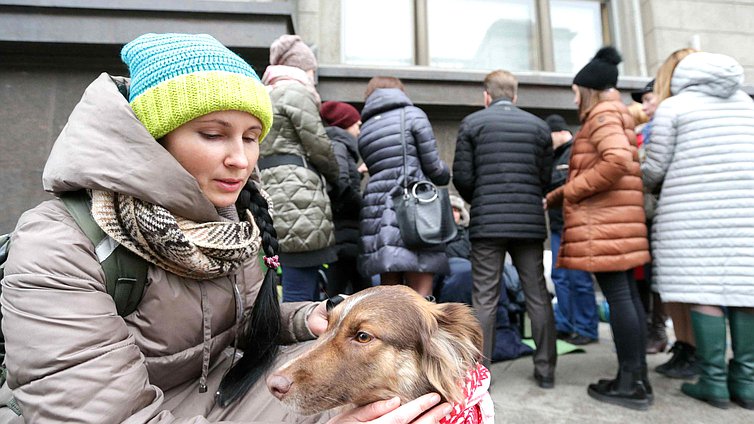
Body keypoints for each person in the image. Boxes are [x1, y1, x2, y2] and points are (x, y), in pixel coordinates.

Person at [0, 33, 452, 423]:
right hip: (143, 412)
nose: (240, 159)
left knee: (402, 399)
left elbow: (232, 324)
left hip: (219, 392)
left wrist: (306, 318)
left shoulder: (229, 222)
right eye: (214, 135)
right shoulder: (60, 242)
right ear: (154, 136)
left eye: (251, 137)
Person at [641, 50, 754, 410]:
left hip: (691, 213)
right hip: (746, 211)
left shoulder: (675, 107)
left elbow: (655, 169)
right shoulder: (747, 105)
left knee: (705, 290)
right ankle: (747, 383)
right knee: (744, 288)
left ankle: (714, 382)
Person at [546, 46, 652, 410]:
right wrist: (561, 194)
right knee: (628, 298)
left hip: (608, 226)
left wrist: (569, 190)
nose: (574, 97)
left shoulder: (603, 115)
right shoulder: (615, 112)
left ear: (587, 89)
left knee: (621, 299)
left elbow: (617, 161)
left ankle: (631, 383)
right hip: (619, 223)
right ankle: (635, 378)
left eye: (576, 91)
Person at [453, 69, 556, 388]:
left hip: (487, 224)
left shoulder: (472, 124)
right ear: (515, 95)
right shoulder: (539, 127)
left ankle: (481, 375)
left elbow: (463, 177)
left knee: (485, 298)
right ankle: (546, 370)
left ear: (486, 96)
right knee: (537, 294)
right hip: (528, 223)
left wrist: (480, 199)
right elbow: (546, 178)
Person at [259, 35, 339, 302]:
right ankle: (298, 343)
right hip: (298, 192)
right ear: (301, 67)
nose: (313, 75)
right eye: (311, 69)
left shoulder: (263, 93)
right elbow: (319, 145)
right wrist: (337, 177)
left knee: (275, 278)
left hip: (267, 188)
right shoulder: (295, 91)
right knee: (301, 287)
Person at [640, 48, 704, 380]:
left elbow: (653, 171)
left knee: (687, 288)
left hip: (679, 211)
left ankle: (694, 354)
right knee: (678, 288)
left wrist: (642, 165)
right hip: (695, 211)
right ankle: (688, 350)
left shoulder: (672, 112)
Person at [358, 76, 450, 297]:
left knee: (389, 295)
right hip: (413, 210)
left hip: (378, 213)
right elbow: (434, 168)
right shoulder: (413, 115)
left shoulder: (367, 127)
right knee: (421, 297)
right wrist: (446, 172)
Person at [436, 195, 534, 362]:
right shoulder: (436, 235)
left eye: (456, 210)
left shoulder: (471, 234)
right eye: (449, 210)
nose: (453, 214)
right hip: (454, 278)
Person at [544, 114, 599, 346]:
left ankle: (586, 328)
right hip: (558, 226)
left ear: (558, 132)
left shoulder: (576, 152)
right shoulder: (555, 157)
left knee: (579, 278)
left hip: (576, 226)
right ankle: (566, 325)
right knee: (560, 278)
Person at [629, 79, 671, 356]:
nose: (644, 106)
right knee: (642, 276)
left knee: (660, 278)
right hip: (643, 214)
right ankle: (648, 329)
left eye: (648, 99)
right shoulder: (641, 132)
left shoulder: (668, 126)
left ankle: (658, 329)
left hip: (664, 214)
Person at [319, 101, 371, 296]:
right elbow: (340, 186)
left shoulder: (338, 146)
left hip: (344, 234)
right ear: (345, 124)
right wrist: (364, 206)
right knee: (348, 293)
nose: (359, 131)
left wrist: (357, 174)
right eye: (357, 125)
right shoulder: (339, 145)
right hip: (345, 234)